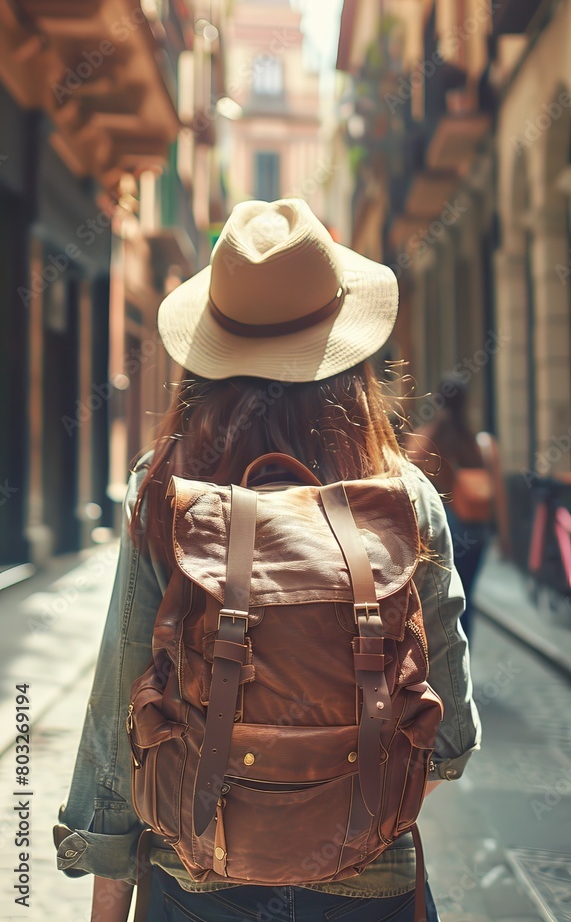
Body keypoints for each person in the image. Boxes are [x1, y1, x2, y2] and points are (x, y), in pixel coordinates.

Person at [54, 198, 481, 922]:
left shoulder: (164, 493)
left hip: (194, 877)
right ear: (344, 348)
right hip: (368, 880)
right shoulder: (403, 497)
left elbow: (115, 716)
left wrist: (107, 898)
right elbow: (448, 737)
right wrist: (339, 809)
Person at [404, 374, 492, 641]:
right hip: (474, 530)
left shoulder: (422, 441)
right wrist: (506, 538)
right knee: (468, 595)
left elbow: (409, 491)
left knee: (439, 597)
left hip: (439, 527)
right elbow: (495, 492)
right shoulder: (481, 444)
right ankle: (467, 657)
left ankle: (442, 656)